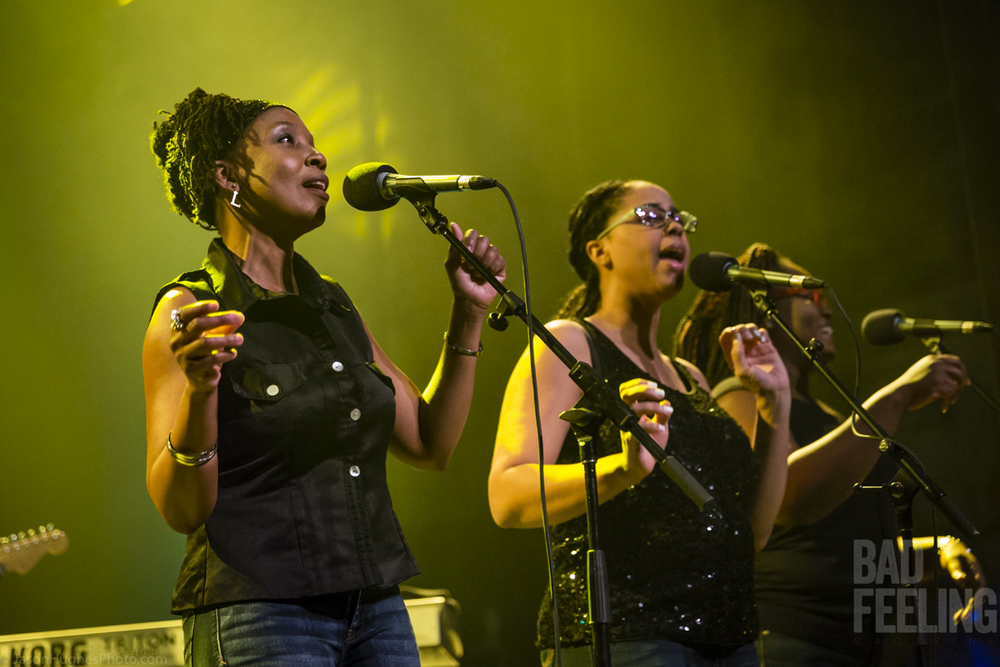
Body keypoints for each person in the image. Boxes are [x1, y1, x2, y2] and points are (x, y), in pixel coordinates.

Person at [142, 88, 506, 666]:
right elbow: (180, 509)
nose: (318, 156)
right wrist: (200, 390)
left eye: (313, 143)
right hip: (262, 615)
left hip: (377, 606)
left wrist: (468, 312)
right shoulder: (190, 309)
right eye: (287, 140)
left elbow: (429, 443)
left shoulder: (332, 304)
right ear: (227, 174)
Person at [489, 180, 792, 666]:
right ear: (600, 250)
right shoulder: (569, 345)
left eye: (680, 219)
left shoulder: (690, 378)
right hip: (629, 638)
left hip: (731, 642)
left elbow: (752, 532)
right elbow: (507, 495)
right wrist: (623, 469)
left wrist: (777, 405)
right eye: (651, 216)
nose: (675, 227)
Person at [674, 243, 980, 667]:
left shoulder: (831, 417)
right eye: (811, 295)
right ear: (766, 311)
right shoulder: (738, 397)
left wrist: (940, 551)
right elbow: (790, 495)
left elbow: (851, 549)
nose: (828, 309)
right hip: (786, 641)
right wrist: (898, 396)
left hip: (852, 648)